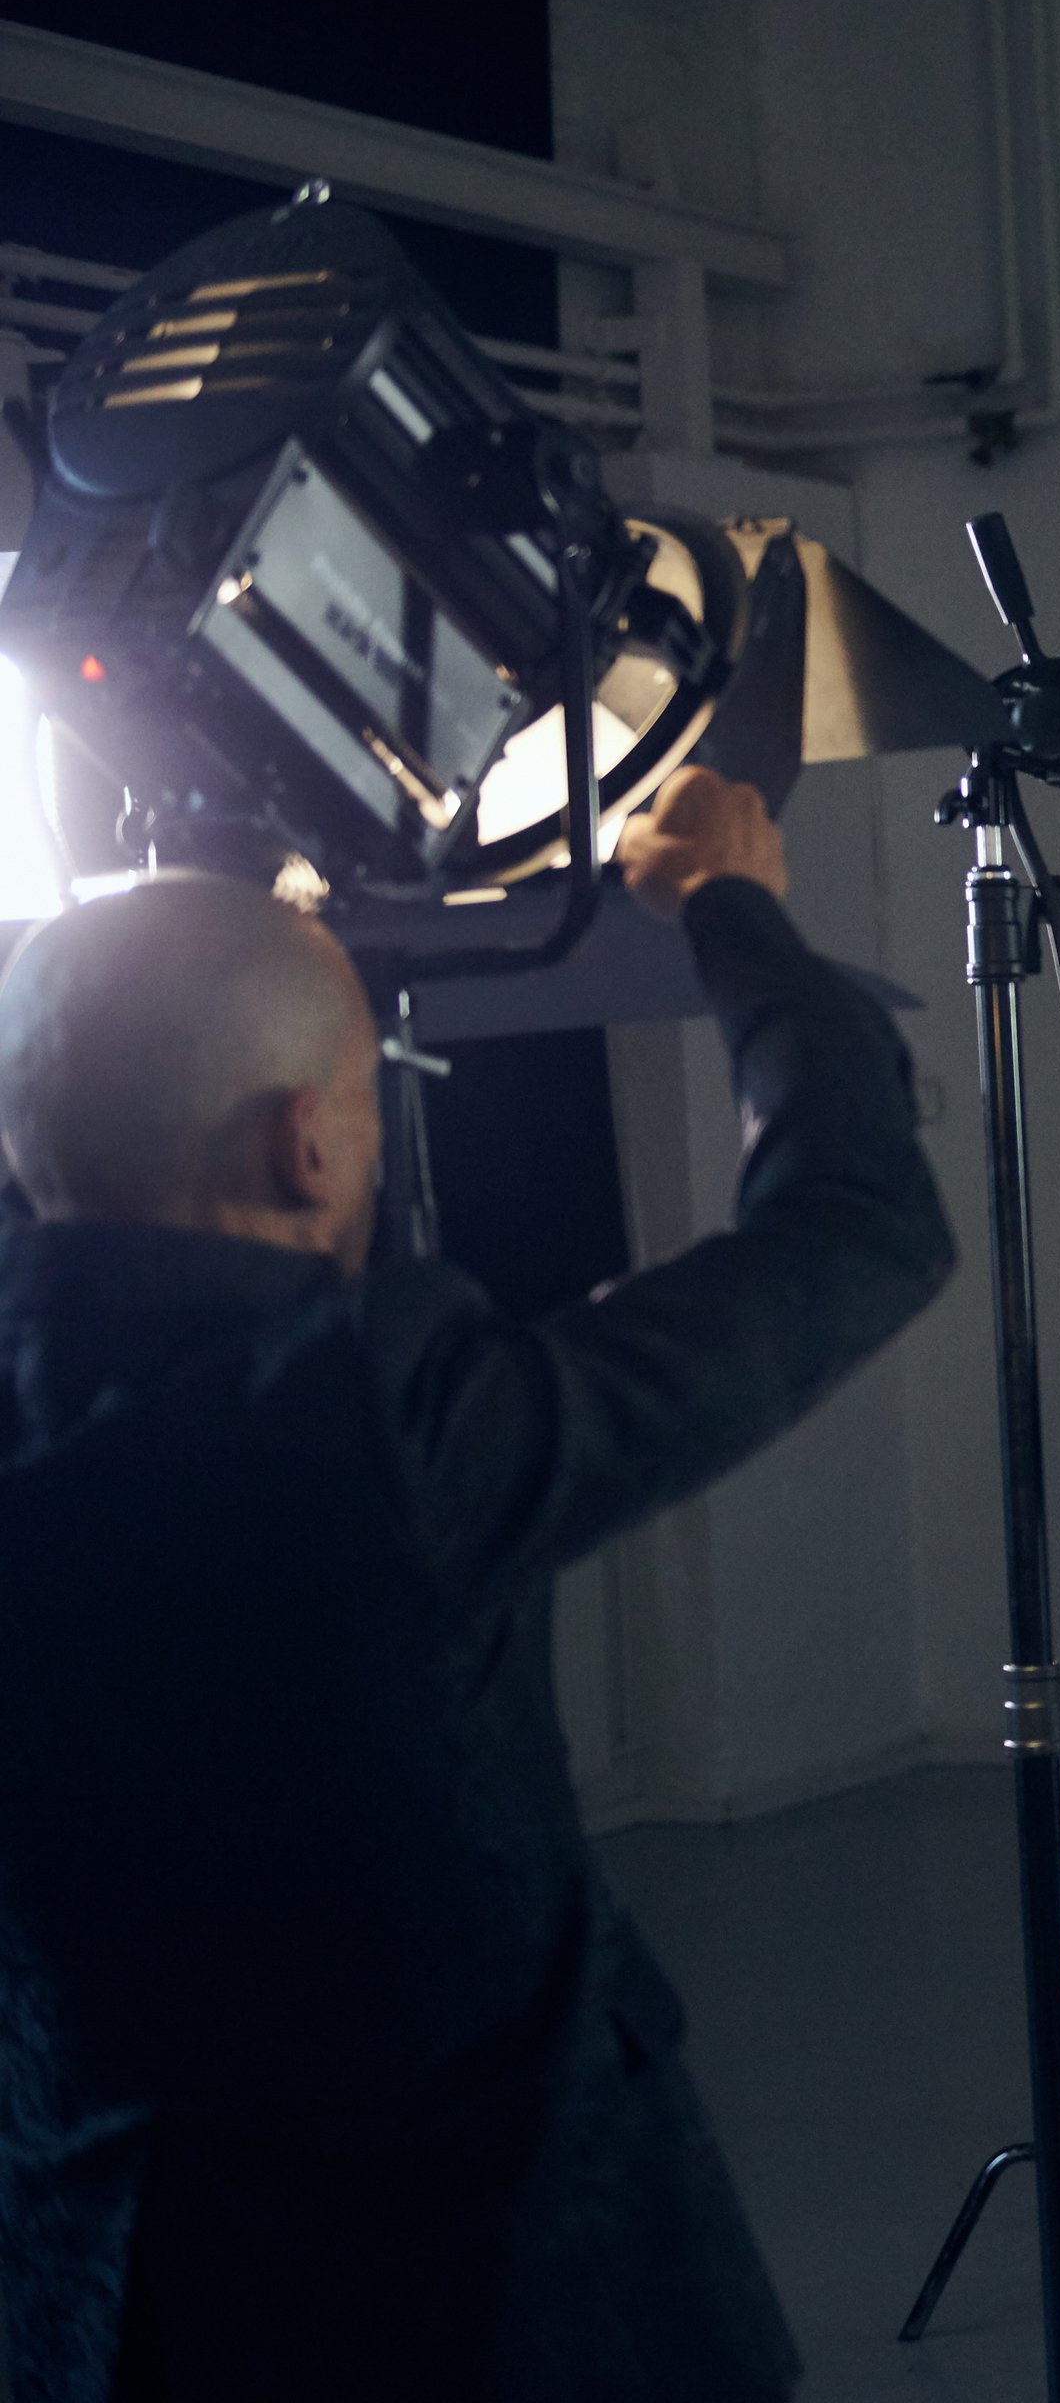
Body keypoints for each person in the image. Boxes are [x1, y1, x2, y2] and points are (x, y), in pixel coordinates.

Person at [0, 768, 954, 2403]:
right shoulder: (386, 1432)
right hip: (510, 2322)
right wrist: (729, 904)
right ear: (308, 1143)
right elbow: (859, 1222)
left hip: (109, 2325)